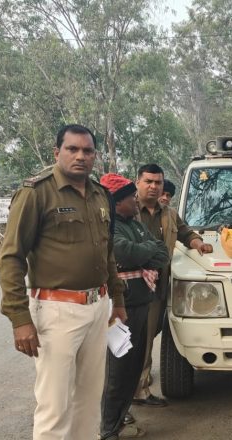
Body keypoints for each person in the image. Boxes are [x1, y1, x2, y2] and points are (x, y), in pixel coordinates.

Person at [0, 124, 127, 440]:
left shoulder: (100, 195)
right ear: (57, 152)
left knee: (88, 402)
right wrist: (19, 319)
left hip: (98, 308)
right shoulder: (36, 193)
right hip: (56, 310)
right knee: (54, 408)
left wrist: (118, 300)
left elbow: (107, 251)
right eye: (72, 149)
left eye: (87, 151)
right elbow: (11, 258)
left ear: (95, 156)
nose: (80, 156)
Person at [133, 164, 213, 406]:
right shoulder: (126, 209)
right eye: (148, 181)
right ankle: (120, 399)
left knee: (146, 340)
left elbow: (185, 232)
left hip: (157, 289)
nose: (153, 187)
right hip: (129, 289)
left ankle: (140, 390)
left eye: (157, 182)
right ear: (137, 182)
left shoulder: (168, 213)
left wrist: (198, 243)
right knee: (126, 344)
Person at [99, 173, 170, 440]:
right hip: (122, 306)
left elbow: (162, 253)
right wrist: (145, 251)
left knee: (133, 365)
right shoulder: (109, 225)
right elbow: (123, 252)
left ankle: (121, 417)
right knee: (118, 368)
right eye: (130, 197)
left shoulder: (135, 224)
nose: (135, 200)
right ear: (117, 202)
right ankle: (108, 428)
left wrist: (144, 250)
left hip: (142, 302)